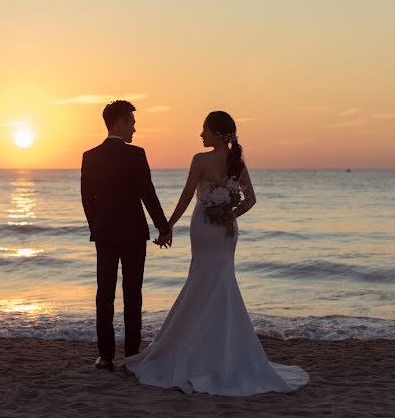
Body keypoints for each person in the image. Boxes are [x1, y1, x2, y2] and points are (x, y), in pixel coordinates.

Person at [125, 110, 309, 395]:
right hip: (225, 231)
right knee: (221, 283)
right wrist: (231, 214)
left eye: (204, 130)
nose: (201, 135)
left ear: (216, 133)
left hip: (203, 228)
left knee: (200, 281)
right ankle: (220, 347)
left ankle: (193, 345)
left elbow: (187, 197)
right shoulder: (237, 163)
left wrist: (167, 226)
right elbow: (252, 200)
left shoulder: (200, 160)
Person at [80, 100, 171, 371]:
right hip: (133, 232)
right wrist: (163, 227)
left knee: (104, 294)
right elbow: (148, 194)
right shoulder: (136, 154)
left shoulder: (90, 156)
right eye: (131, 122)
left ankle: (105, 357)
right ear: (118, 123)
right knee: (133, 293)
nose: (135, 127)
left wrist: (96, 226)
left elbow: (87, 199)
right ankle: (131, 356)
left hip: (105, 233)